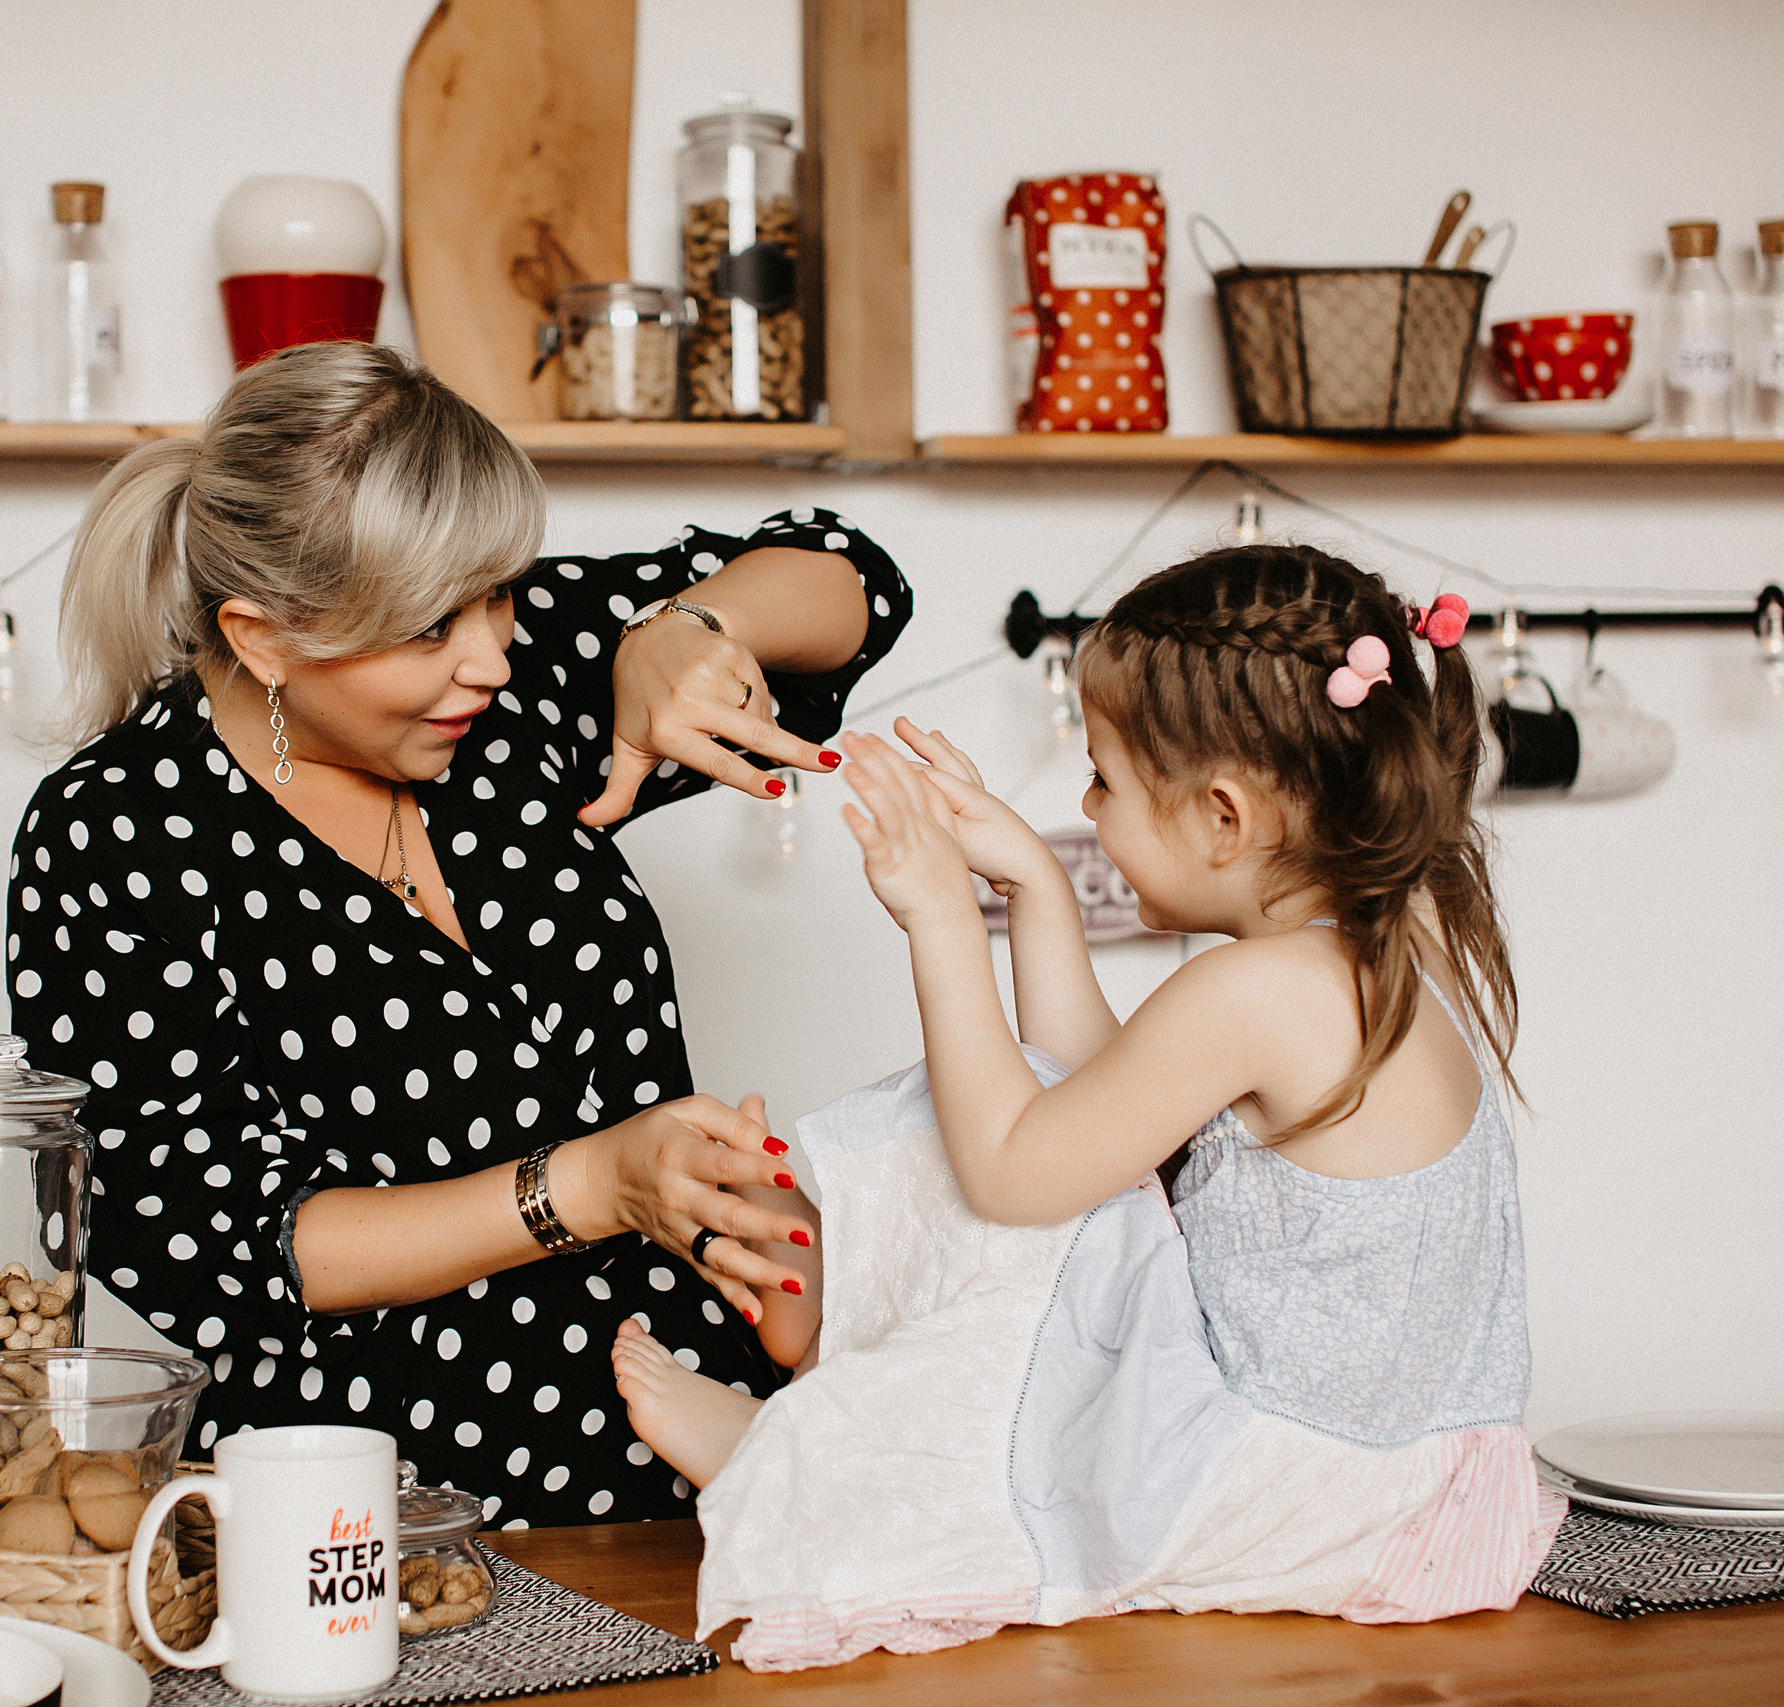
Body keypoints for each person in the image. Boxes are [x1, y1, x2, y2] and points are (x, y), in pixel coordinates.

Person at [6, 341, 912, 1528]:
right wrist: (590, 1183)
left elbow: (855, 582)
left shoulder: (506, 686)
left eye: (502, 591)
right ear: (265, 637)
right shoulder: (117, 830)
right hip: (379, 1506)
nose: (489, 654)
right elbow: (211, 1238)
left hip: (704, 1453)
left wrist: (679, 628)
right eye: (430, 627)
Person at [612, 545, 1561, 1667]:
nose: (1084, 802)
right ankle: (826, 1373)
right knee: (1043, 1129)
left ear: (1221, 816)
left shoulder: (1258, 990)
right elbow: (1112, 1116)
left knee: (985, 1147)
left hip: (1296, 1494)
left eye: (1104, 777)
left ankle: (808, 1461)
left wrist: (941, 925)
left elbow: (1021, 1172)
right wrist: (1033, 886)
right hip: (1430, 1496)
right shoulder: (1375, 951)